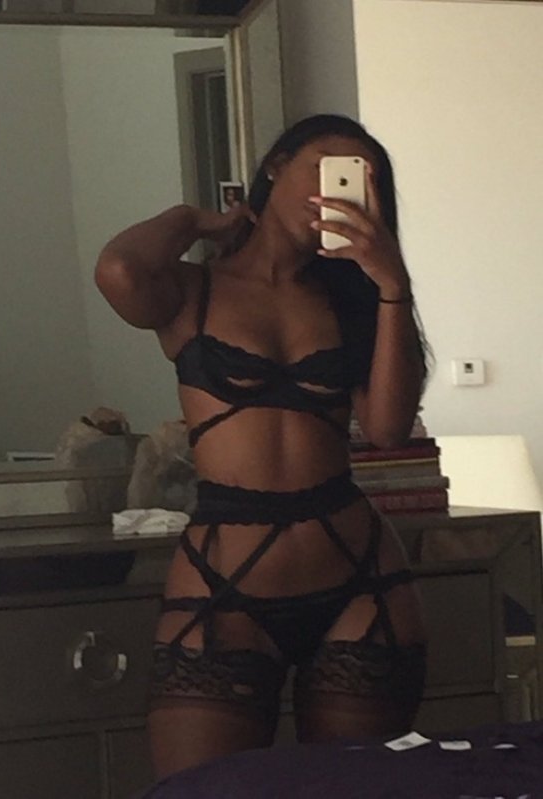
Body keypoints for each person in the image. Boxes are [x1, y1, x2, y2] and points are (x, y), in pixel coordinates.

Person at [95, 114, 430, 780]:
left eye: (358, 182)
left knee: (357, 795)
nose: (335, 191)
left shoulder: (354, 300)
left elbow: (389, 428)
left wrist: (393, 284)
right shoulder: (193, 290)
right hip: (223, 586)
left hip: (359, 578)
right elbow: (118, 270)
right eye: (323, 167)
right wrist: (196, 220)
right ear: (275, 166)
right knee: (201, 792)